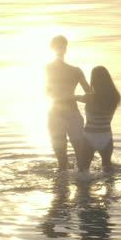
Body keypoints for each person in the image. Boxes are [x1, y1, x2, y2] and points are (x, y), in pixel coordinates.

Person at [46, 35, 90, 170]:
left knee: (80, 153)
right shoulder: (48, 69)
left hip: (72, 115)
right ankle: (65, 180)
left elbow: (89, 93)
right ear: (53, 49)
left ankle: (80, 181)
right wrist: (74, 97)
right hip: (55, 115)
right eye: (58, 46)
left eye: (63, 46)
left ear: (66, 49)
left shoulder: (76, 71)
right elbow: (48, 93)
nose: (61, 49)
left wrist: (75, 97)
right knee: (61, 159)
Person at [74, 66, 121, 174]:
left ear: (94, 80)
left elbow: (73, 97)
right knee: (107, 168)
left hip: (89, 136)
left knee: (83, 171)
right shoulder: (115, 97)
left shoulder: (89, 98)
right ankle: (110, 190)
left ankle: (84, 190)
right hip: (106, 136)